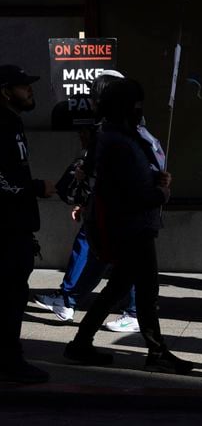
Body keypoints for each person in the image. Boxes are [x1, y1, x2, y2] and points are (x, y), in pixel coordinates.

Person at [63, 78, 193, 374]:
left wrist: (156, 182)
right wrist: (160, 193)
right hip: (131, 227)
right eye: (136, 106)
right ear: (123, 108)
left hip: (129, 226)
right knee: (146, 290)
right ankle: (156, 352)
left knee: (119, 286)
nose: (140, 111)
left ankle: (81, 343)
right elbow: (129, 192)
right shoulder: (119, 141)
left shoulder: (116, 136)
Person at [35, 72, 141, 333]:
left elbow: (124, 173)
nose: (92, 103)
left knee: (121, 264)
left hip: (121, 211)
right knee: (98, 255)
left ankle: (130, 313)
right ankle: (72, 304)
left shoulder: (119, 131)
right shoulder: (110, 129)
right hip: (107, 207)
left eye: (96, 97)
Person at [0, 64, 56, 384]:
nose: (29, 89)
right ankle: (10, 361)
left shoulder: (12, 122)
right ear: (6, 91)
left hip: (17, 227)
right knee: (9, 297)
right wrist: (35, 187)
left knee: (13, 295)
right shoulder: (0, 124)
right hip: (6, 229)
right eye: (23, 86)